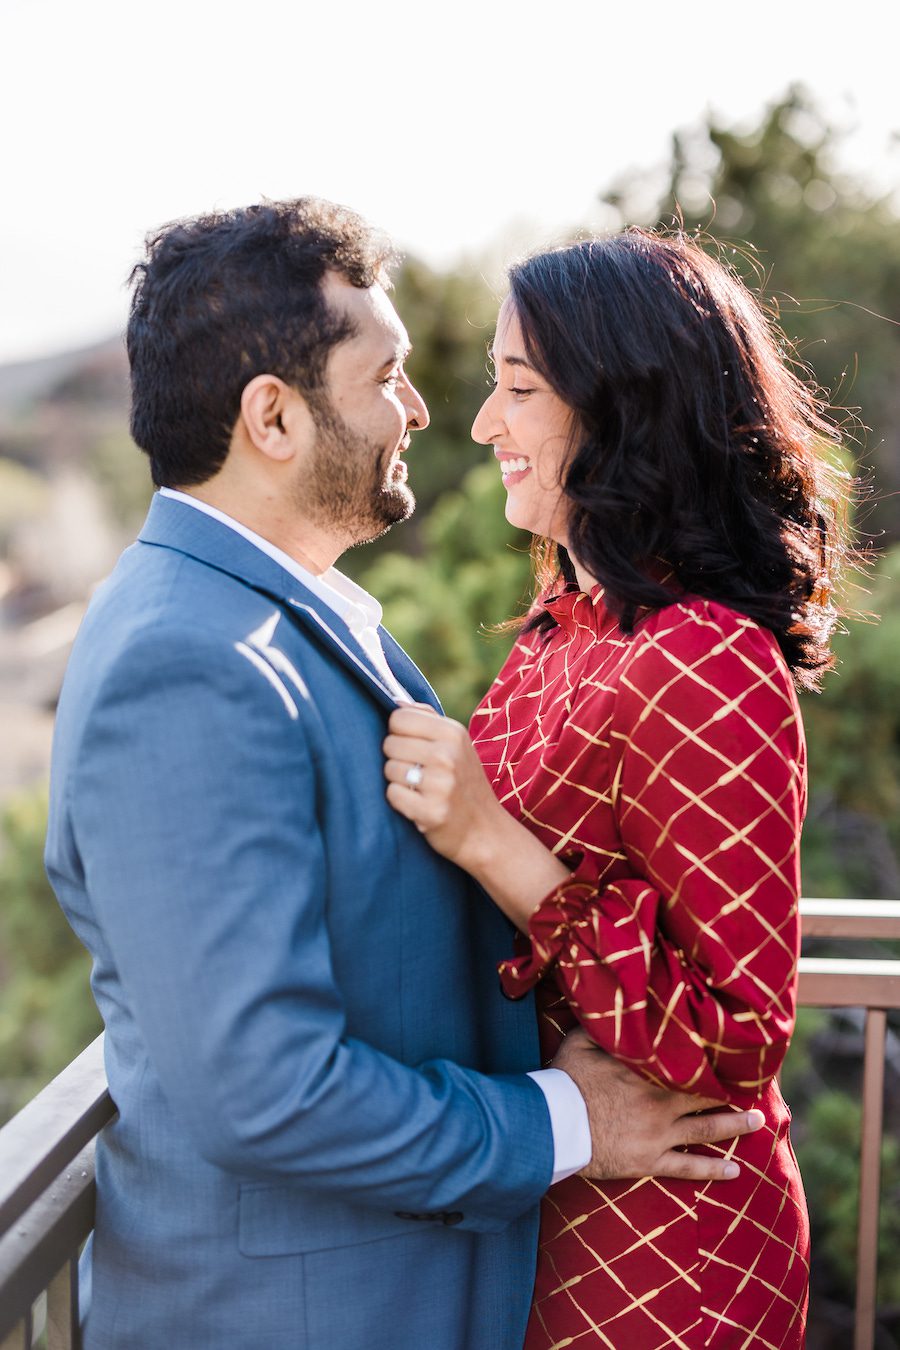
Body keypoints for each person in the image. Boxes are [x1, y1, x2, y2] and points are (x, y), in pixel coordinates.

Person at [44, 202, 760, 1350]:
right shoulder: (188, 664)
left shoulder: (286, 614)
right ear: (271, 417)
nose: (425, 414)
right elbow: (263, 1089)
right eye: (389, 376)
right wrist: (566, 1119)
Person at [384, 228, 850, 1348]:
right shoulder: (566, 629)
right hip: (564, 1197)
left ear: (623, 407)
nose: (487, 424)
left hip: (672, 1248)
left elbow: (738, 1037)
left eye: (520, 390)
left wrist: (502, 850)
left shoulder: (705, 655)